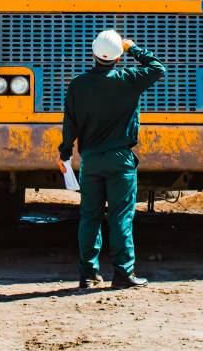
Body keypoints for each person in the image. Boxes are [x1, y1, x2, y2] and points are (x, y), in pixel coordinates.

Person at [58, 29, 166, 290]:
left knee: (89, 216)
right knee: (120, 217)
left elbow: (69, 125)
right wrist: (133, 48)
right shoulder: (128, 79)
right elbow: (157, 68)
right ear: (118, 58)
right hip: (120, 160)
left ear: (94, 54)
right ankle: (123, 274)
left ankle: (88, 274)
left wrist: (64, 154)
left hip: (91, 160)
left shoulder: (78, 84)